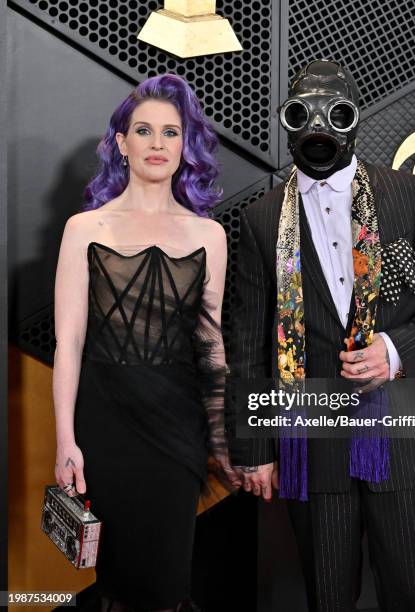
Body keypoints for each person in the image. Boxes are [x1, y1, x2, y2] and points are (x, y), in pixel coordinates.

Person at [229, 59, 415, 611]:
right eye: (301, 113)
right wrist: (253, 450)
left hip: (404, 436)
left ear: (353, 119)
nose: (317, 128)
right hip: (313, 445)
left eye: (333, 112)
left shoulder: (409, 193)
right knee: (328, 598)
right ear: (287, 123)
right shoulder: (262, 219)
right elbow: (248, 339)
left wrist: (395, 350)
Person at [52, 74, 240, 612]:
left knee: (163, 584)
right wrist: (66, 442)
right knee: (118, 580)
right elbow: (69, 343)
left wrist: (222, 440)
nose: (157, 143)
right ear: (121, 143)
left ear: (186, 146)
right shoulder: (83, 228)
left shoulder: (210, 236)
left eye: (171, 132)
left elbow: (211, 348)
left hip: (178, 429)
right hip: (105, 425)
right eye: (144, 130)